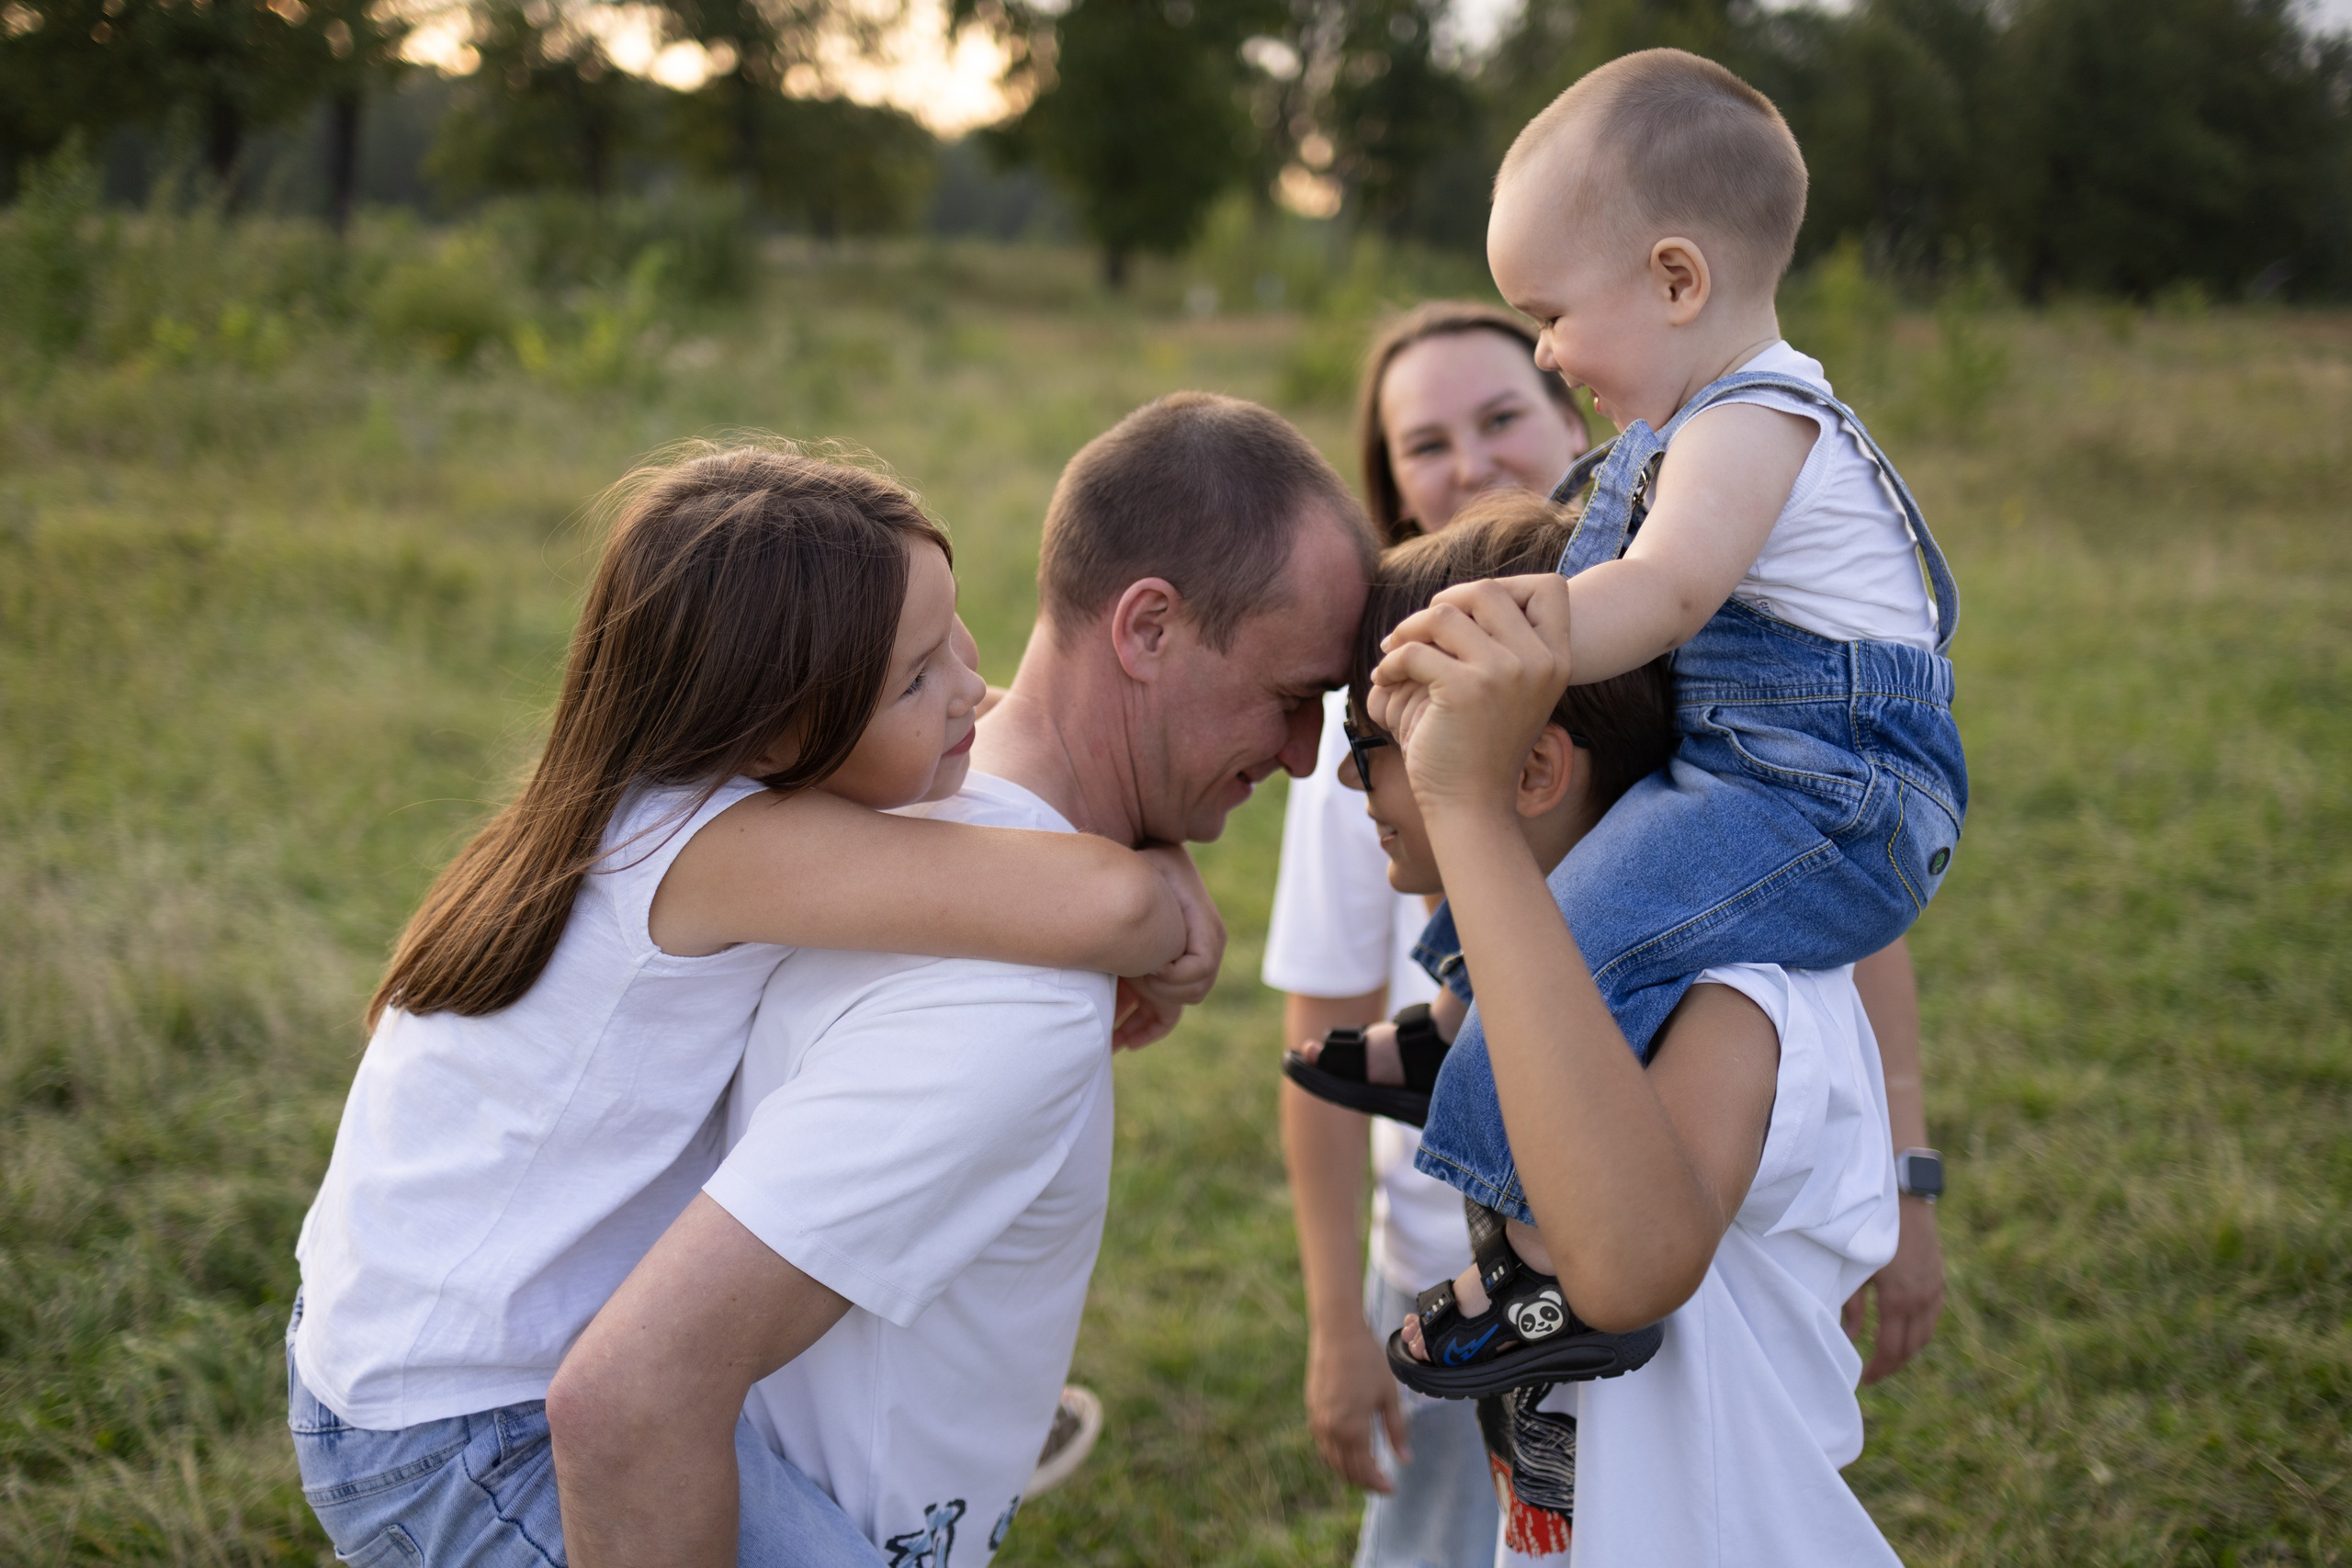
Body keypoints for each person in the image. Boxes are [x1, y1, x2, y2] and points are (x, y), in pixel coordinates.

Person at [282, 445, 1228, 1567]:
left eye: (956, 629)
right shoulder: (720, 846)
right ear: (780, 729)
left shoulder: (636, 792)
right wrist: (1161, 879)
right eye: (918, 677)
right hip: (470, 1432)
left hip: (387, 1349)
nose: (975, 687)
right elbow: (1108, 904)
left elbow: (997, 747)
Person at [543, 393, 1380, 1567]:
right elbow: (631, 1399)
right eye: (1292, 696)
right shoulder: (1012, 990)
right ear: (1145, 629)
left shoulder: (909, 808)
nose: (1305, 757)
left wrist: (1146, 854)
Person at [1294, 48, 1967, 1400]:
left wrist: (1507, 636)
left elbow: (1661, 591)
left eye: (1548, 317)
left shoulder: (1757, 416)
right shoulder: (1697, 417)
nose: (1549, 352)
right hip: (1765, 766)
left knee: (1591, 922)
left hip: (1835, 789)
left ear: (1676, 279)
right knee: (1581, 895)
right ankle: (1462, 1015)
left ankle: (1545, 1269)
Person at [1353, 492, 1906, 1564]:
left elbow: (1631, 1265)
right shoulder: (1557, 980)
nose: (1348, 776)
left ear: (1531, 771)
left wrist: (1463, 807)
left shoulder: (1741, 1003)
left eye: (1376, 736)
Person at [1268, 300, 1588, 1568]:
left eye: (1503, 416)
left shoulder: (1692, 648)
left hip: (1675, 1258)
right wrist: (1340, 1324)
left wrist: (1899, 1170)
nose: (1471, 461)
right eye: (1426, 442)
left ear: (1577, 417)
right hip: (1453, 1274)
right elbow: (1320, 1031)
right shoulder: (1372, 724)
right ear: (1390, 486)